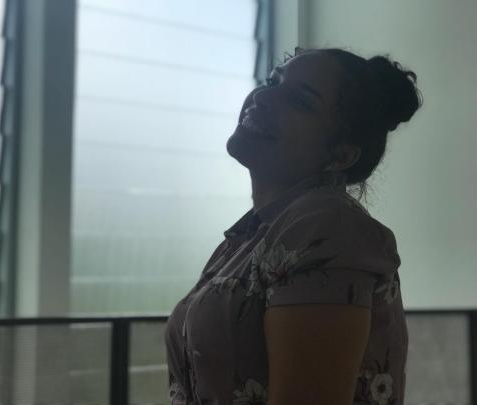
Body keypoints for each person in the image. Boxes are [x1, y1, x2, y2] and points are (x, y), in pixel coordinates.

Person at [164, 46, 422, 404]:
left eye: (300, 100)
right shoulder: (253, 236)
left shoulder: (327, 227)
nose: (264, 96)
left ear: (340, 155)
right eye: (273, 82)